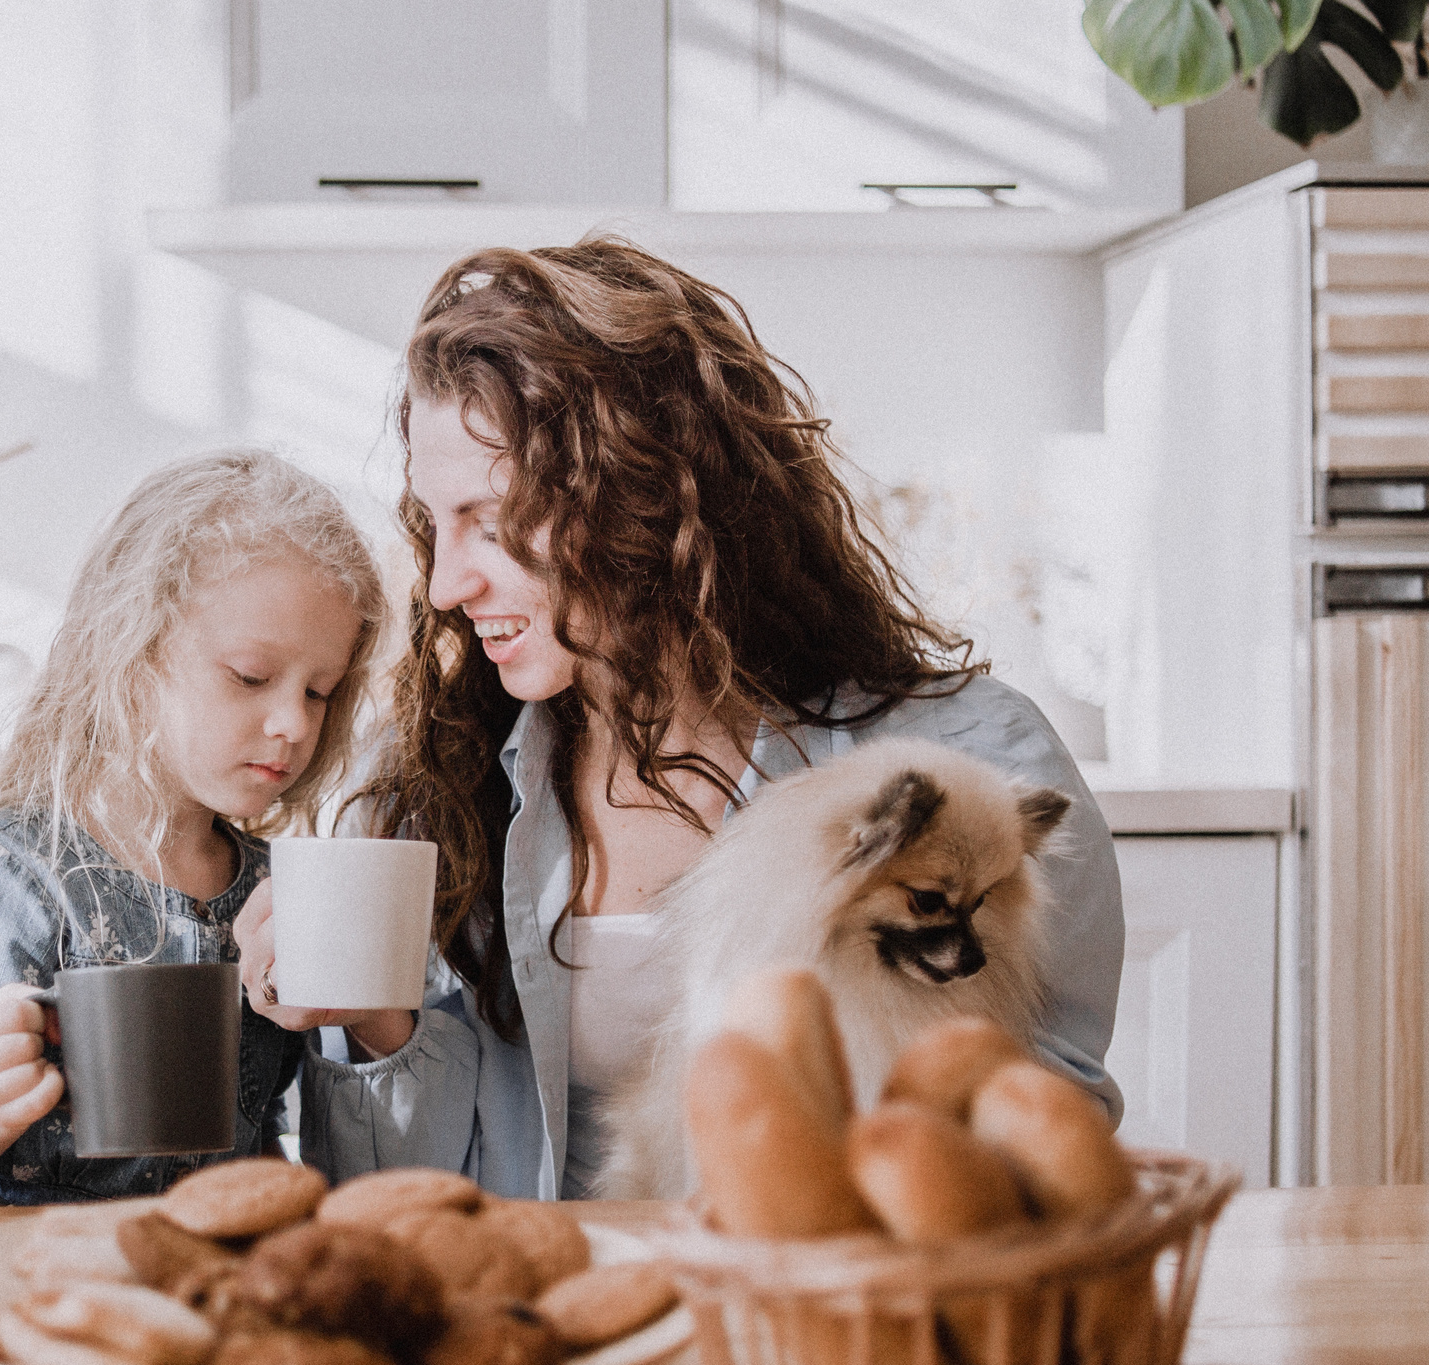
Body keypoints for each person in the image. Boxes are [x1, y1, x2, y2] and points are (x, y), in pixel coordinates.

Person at [233, 241, 1122, 1200]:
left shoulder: (972, 783)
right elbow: (406, 1211)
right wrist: (374, 1027)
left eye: (489, 520)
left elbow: (1045, 1143)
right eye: (434, 523)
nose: (446, 585)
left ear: (645, 491)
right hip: (554, 1328)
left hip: (826, 1323)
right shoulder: (430, 795)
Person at [0, 449, 387, 1204]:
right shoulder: (11, 870)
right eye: (251, 677)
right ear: (131, 655)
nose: (293, 722)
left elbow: (301, 1137)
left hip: (172, 1270)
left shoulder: (270, 887)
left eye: (320, 691)